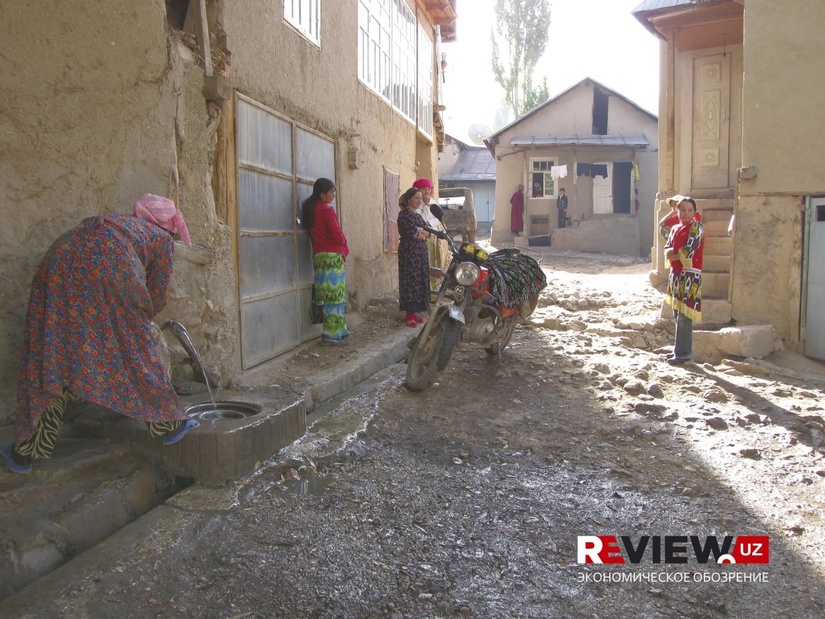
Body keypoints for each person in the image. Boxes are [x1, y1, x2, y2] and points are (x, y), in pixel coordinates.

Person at [2, 194, 199, 474]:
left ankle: (25, 452)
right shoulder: (161, 238)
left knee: (53, 355)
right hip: (111, 267)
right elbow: (155, 294)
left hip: (57, 264)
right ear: (169, 226)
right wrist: (137, 326)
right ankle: (170, 424)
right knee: (135, 350)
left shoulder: (119, 224)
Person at [301, 178, 350, 346]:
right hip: (332, 257)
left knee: (327, 295)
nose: (334, 195)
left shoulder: (311, 210)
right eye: (331, 192)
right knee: (336, 296)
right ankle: (333, 334)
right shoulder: (327, 211)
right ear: (322, 195)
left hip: (319, 257)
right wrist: (344, 242)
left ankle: (339, 331)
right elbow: (336, 234)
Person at [663, 196, 704, 365]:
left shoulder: (697, 227)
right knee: (677, 314)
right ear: (677, 211)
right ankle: (678, 351)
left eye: (690, 210)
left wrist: (673, 253)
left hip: (690, 275)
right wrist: (674, 253)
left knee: (685, 316)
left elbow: (688, 251)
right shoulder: (675, 229)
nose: (686, 213)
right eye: (682, 210)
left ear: (694, 212)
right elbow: (667, 248)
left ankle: (684, 354)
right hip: (676, 275)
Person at [397, 187, 430, 328]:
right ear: (409, 199)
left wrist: (422, 233)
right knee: (410, 281)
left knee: (420, 281)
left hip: (420, 254)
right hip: (409, 254)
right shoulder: (404, 215)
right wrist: (421, 233)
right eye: (416, 198)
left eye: (420, 198)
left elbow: (428, 231)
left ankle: (416, 312)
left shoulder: (417, 215)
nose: (419, 201)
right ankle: (409, 314)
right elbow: (415, 234)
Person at [412, 177, 448, 292]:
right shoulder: (417, 204)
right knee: (424, 265)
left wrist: (429, 223)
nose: (426, 192)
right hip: (422, 240)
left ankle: (435, 288)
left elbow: (439, 218)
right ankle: (425, 290)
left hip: (433, 239)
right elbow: (421, 219)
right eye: (423, 189)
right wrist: (426, 208)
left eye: (428, 189)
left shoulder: (432, 202)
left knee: (435, 263)